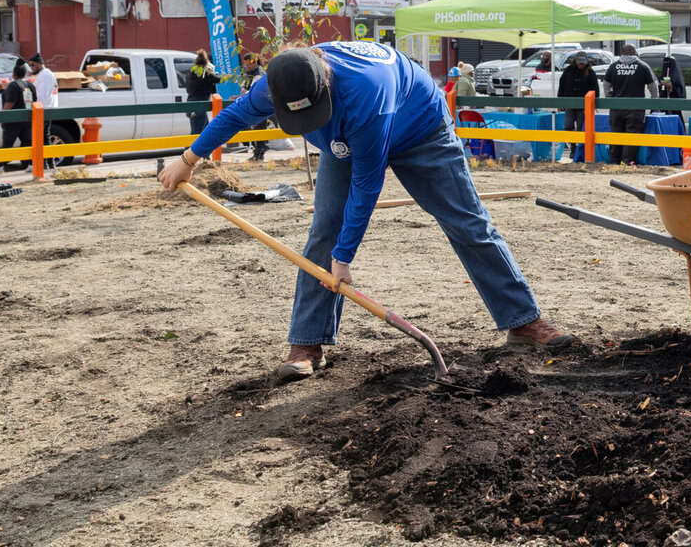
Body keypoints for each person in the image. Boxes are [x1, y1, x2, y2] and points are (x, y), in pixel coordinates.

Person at [158, 41, 568, 381]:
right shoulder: (278, 81)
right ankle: (307, 343)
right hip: (345, 135)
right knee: (324, 232)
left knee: (468, 223)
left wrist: (344, 257)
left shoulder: (366, 90)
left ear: (326, 86)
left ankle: (523, 321)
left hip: (419, 126)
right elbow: (232, 115)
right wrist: (188, 160)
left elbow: (367, 184)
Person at [603, 44, 659, 166]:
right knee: (632, 135)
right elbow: (652, 85)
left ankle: (614, 161)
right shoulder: (642, 66)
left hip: (616, 107)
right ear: (634, 53)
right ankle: (627, 162)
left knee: (616, 134)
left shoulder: (613, 66)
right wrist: (654, 100)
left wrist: (610, 97)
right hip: (636, 108)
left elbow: (606, 84)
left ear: (622, 53)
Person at [557, 51, 601, 163]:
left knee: (582, 129)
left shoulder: (590, 73)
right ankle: (573, 147)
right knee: (567, 126)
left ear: (586, 62)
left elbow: (595, 90)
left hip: (584, 106)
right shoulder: (568, 71)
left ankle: (579, 151)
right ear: (575, 61)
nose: (581, 64)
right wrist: (559, 102)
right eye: (579, 62)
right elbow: (561, 85)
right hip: (569, 103)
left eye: (583, 62)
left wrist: (591, 106)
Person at [0, 60, 31, 168]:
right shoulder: (30, 85)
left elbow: (9, 103)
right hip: (27, 120)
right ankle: (29, 165)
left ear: (14, 73)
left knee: (7, 144)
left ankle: (0, 166)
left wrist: (3, 117)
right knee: (27, 143)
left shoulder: (13, 85)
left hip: (13, 121)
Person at [184, 49, 221, 136]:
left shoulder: (190, 73)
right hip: (199, 107)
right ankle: (188, 149)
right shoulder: (204, 73)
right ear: (206, 63)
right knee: (196, 134)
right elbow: (218, 79)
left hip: (190, 105)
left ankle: (205, 149)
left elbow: (188, 89)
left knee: (204, 132)